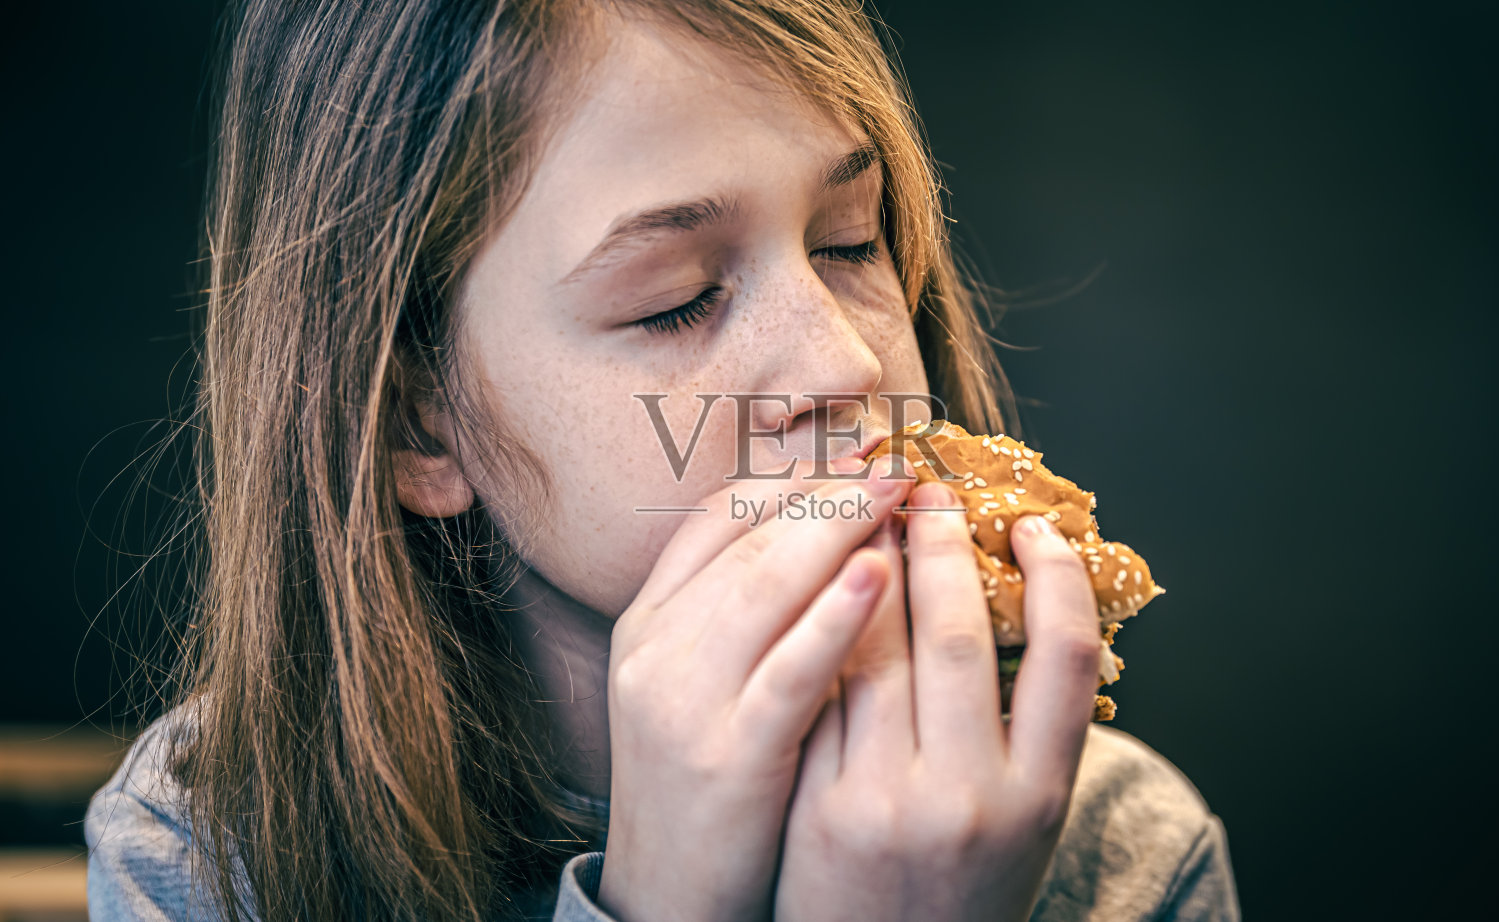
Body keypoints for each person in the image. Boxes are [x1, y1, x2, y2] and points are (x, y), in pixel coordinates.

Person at [85, 1, 1240, 919]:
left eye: (849, 242)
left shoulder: (1118, 853)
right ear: (419, 425)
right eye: (678, 301)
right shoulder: (210, 856)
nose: (844, 364)